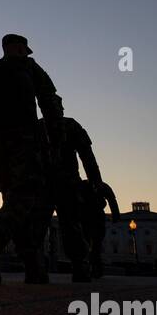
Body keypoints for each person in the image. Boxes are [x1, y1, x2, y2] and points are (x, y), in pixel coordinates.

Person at [0, 34, 64, 285]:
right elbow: (50, 103)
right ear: (18, 48)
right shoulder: (28, 68)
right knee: (27, 195)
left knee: (14, 201)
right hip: (23, 142)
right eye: (23, 49)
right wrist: (57, 140)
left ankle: (32, 268)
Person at [48, 116, 113, 282]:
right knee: (70, 223)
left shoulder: (39, 126)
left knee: (37, 221)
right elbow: (88, 158)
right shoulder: (70, 125)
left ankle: (32, 268)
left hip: (42, 181)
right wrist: (96, 183)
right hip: (66, 183)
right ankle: (78, 266)